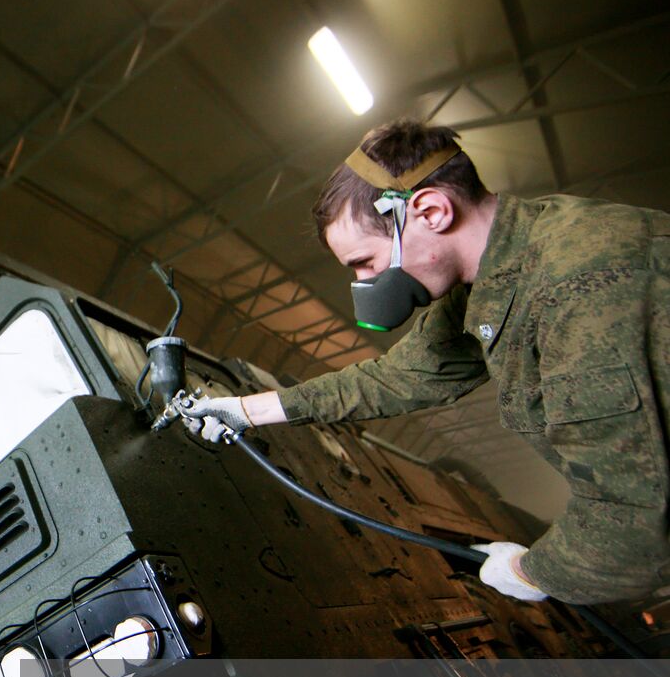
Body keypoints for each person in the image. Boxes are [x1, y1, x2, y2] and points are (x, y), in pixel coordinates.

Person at [185, 118, 668, 605]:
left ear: (432, 211)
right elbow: (397, 377)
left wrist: (530, 572)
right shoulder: (499, 272)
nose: (366, 282)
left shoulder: (580, 285)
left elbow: (636, 523)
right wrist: (245, 410)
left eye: (365, 262)